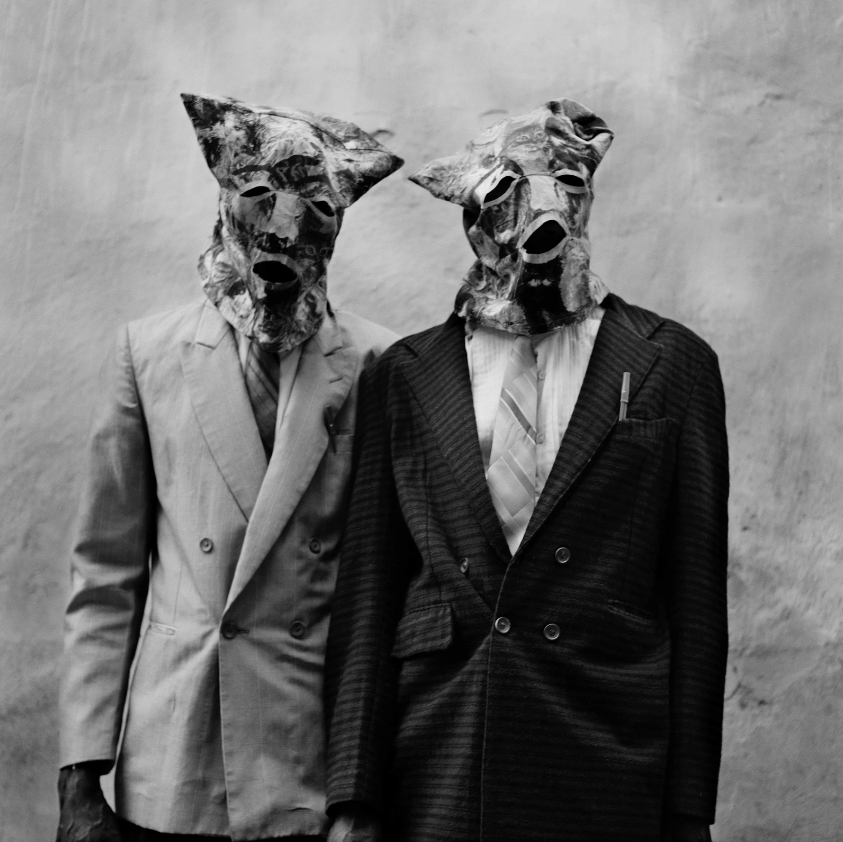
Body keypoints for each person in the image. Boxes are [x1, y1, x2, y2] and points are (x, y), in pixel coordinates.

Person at [325, 98, 728, 842]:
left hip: (605, 745)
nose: (542, 214)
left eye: (565, 186)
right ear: (473, 214)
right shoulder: (407, 375)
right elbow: (369, 591)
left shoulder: (672, 362)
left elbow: (696, 598)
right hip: (440, 747)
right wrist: (353, 798)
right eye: (510, 194)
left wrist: (687, 809)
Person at [56, 93, 402, 842]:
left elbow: (386, 598)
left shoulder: (381, 365)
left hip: (308, 766)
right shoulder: (147, 354)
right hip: (174, 762)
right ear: (225, 199)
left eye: (316, 204)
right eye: (258, 194)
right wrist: (80, 778)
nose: (285, 224)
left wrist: (364, 795)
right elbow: (105, 575)